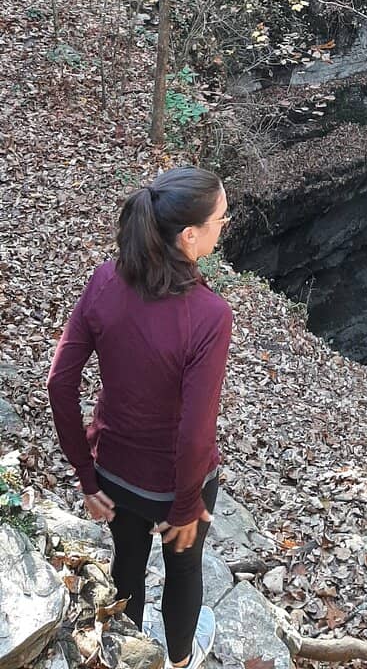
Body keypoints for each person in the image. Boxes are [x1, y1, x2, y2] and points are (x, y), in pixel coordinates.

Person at [47, 167, 234, 669]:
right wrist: (186, 507)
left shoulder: (106, 279)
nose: (226, 224)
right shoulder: (210, 315)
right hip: (175, 485)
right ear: (190, 234)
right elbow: (196, 432)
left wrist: (87, 479)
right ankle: (176, 662)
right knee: (184, 568)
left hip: (113, 473)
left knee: (126, 560)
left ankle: (129, 653)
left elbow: (59, 383)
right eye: (222, 217)